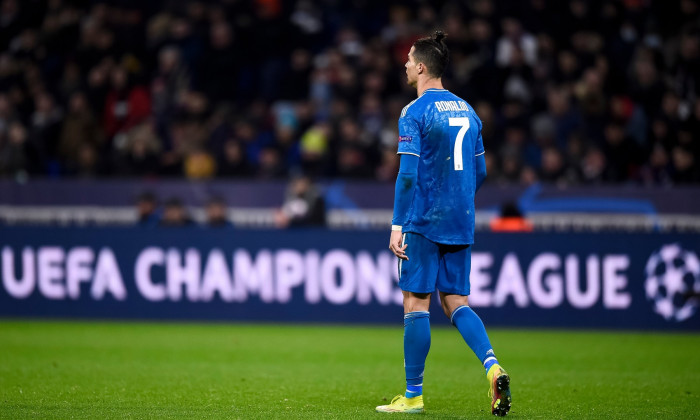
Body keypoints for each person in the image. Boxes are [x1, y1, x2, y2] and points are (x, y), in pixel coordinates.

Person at [376, 31, 512, 416]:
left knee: (416, 303)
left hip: (422, 220)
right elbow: (481, 170)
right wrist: (459, 200)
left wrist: (397, 223)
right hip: (460, 220)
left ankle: (413, 394)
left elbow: (406, 175)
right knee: (456, 302)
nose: (404, 64)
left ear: (421, 67)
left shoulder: (414, 112)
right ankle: (492, 366)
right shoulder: (469, 111)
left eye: (407, 59)